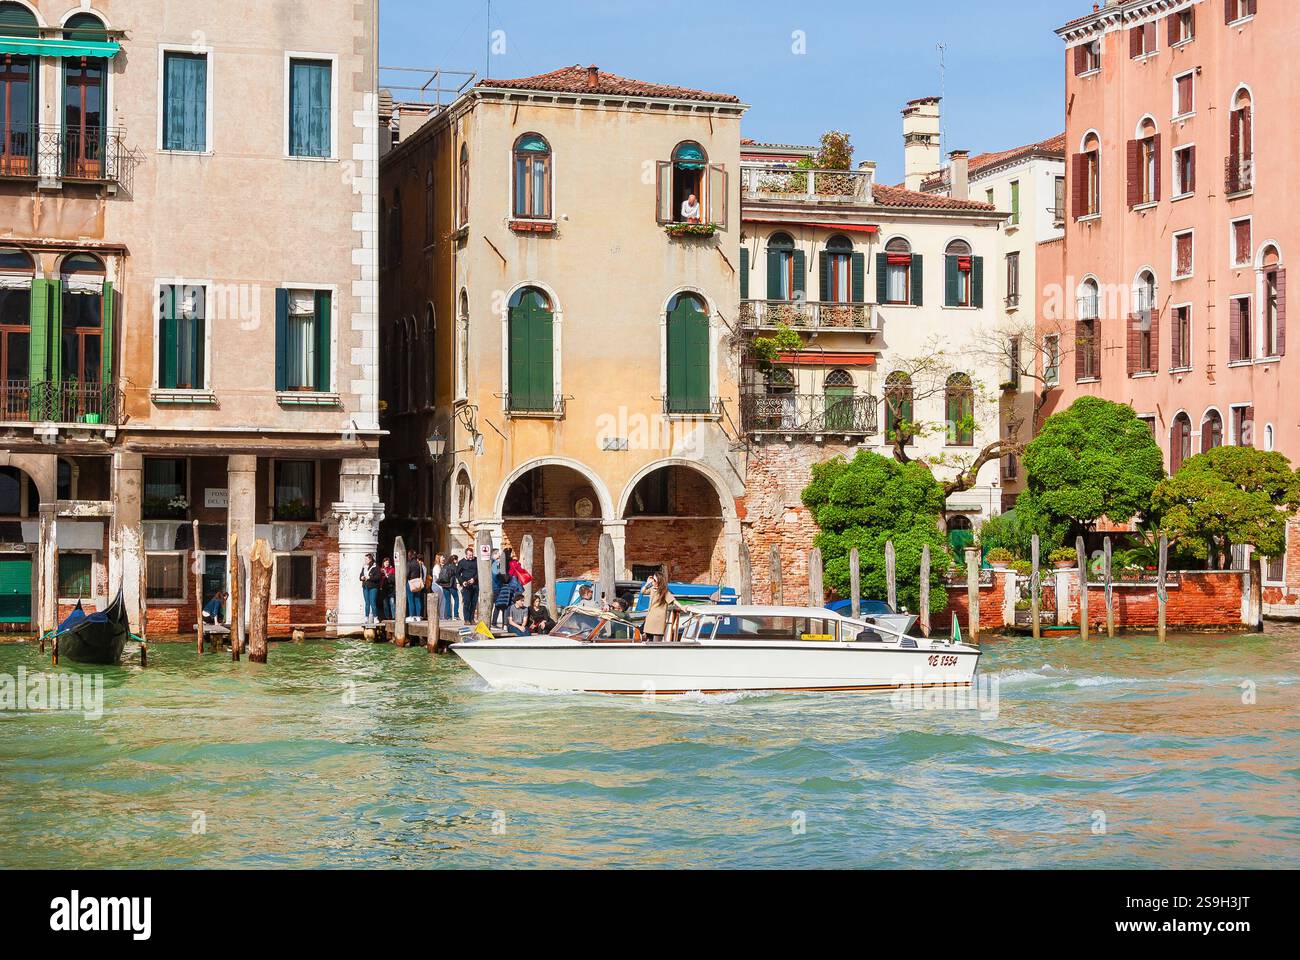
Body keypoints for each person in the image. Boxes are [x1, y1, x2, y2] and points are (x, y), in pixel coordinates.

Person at [640, 571, 677, 643]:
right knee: (649, 642)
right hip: (650, 620)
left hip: (658, 622)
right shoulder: (652, 589)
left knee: (656, 643)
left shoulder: (664, 592)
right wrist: (647, 583)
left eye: (654, 580)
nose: (652, 581)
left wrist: (683, 607)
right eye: (653, 579)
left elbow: (673, 600)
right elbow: (643, 591)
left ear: (659, 581)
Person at [457, 552, 480, 624]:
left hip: (475, 584)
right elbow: (457, 574)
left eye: (472, 555)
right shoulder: (462, 562)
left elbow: (479, 571)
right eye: (469, 555)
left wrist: (474, 579)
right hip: (466, 585)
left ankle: (472, 619)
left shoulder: (476, 561)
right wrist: (462, 582)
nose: (471, 556)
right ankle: (466, 619)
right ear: (466, 555)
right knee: (467, 602)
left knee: (474, 602)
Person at [360, 554, 381, 625]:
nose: (365, 560)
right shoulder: (364, 567)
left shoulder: (376, 567)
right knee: (367, 603)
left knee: (373, 603)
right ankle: (366, 617)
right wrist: (362, 577)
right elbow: (360, 576)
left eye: (366, 559)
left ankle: (375, 617)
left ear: (370, 559)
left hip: (373, 587)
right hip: (365, 587)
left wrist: (369, 578)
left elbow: (378, 577)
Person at [437, 553, 460, 621]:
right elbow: (457, 576)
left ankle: (448, 616)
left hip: (444, 585)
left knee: (447, 600)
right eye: (456, 560)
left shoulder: (444, 566)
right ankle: (456, 615)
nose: (457, 561)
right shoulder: (454, 567)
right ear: (454, 560)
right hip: (452, 586)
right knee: (456, 599)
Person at [406, 549, 426, 622]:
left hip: (411, 583)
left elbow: (407, 574)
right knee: (417, 599)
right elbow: (422, 574)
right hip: (418, 583)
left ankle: (411, 616)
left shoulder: (409, 563)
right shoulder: (419, 564)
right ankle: (418, 616)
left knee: (410, 600)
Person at [380, 556, 396, 620]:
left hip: (391, 588)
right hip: (383, 588)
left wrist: (386, 574)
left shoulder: (392, 570)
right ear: (383, 563)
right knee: (385, 603)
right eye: (385, 562)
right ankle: (387, 617)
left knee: (392, 602)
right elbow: (379, 580)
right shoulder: (381, 570)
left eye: (387, 562)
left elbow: (393, 579)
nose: (386, 563)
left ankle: (394, 616)